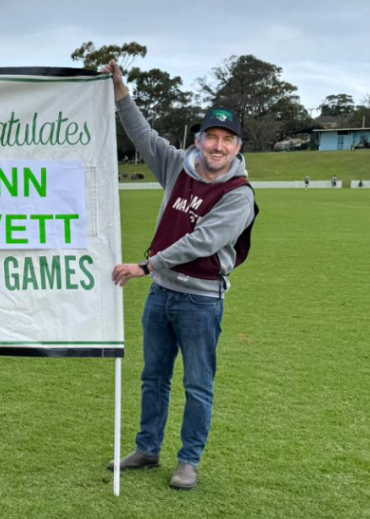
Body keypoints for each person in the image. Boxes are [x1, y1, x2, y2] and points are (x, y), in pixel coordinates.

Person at [106, 61, 258, 490]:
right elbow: (143, 135)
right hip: (162, 295)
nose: (218, 146)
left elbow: (202, 241)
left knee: (197, 384)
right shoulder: (177, 167)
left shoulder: (239, 194)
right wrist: (121, 92)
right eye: (212, 137)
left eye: (227, 140)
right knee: (153, 377)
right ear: (199, 140)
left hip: (201, 299)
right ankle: (147, 448)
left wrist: (146, 265)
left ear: (237, 147)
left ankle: (188, 461)